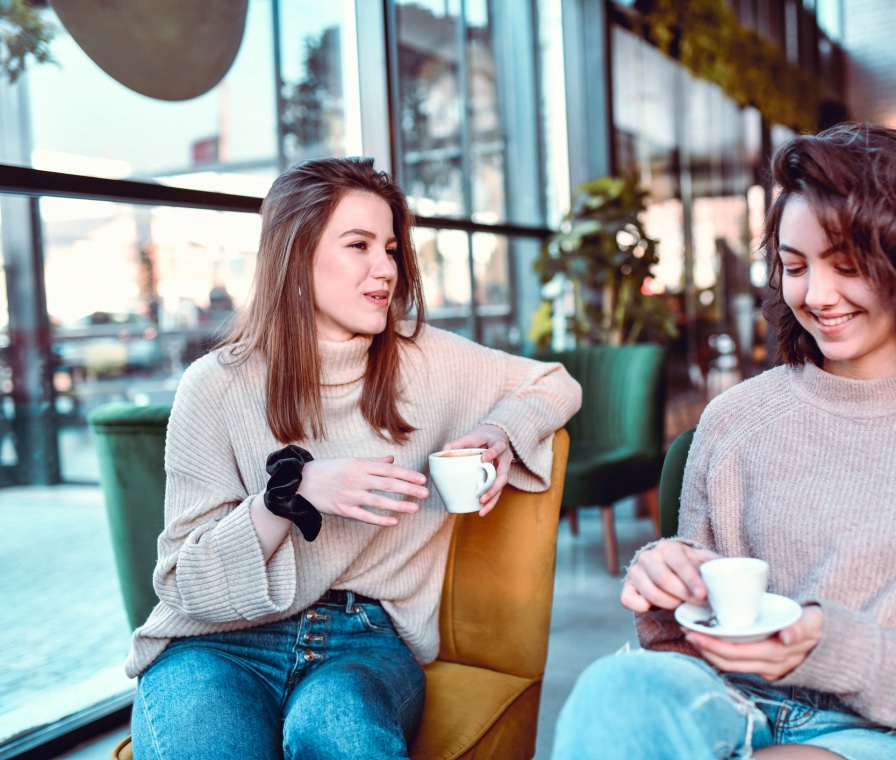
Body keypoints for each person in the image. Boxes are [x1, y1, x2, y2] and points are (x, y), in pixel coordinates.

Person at [552, 123, 896, 760]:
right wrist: (669, 587)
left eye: (848, 265)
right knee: (615, 690)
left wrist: (829, 649)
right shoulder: (736, 420)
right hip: (738, 705)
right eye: (794, 266)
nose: (817, 295)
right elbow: (690, 640)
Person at [126, 157, 581, 759]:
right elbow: (186, 582)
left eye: (391, 248)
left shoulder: (425, 358)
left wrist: (501, 430)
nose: (384, 269)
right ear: (296, 253)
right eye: (358, 245)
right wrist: (291, 496)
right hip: (217, 644)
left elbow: (555, 383)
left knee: (341, 734)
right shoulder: (215, 385)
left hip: (364, 641)